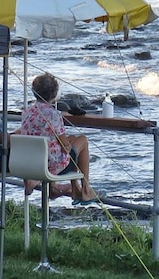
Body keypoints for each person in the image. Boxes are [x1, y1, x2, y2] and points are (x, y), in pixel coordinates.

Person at [0, 65, 69, 197]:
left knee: (31, 143)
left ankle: (51, 186)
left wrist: (23, 131)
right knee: (35, 148)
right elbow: (6, 143)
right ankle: (40, 182)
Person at [16, 72, 100, 204]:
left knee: (72, 139)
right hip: (51, 167)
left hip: (31, 163)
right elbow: (64, 145)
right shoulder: (54, 114)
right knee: (82, 140)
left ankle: (72, 188)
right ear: (54, 94)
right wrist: (68, 145)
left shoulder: (27, 113)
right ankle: (85, 191)